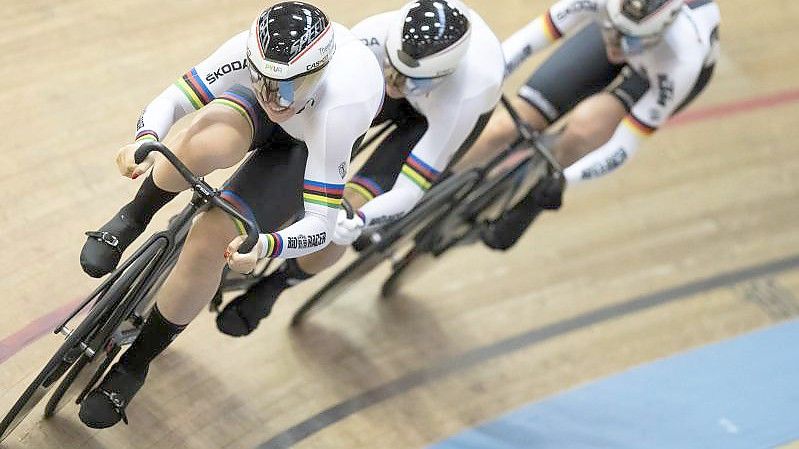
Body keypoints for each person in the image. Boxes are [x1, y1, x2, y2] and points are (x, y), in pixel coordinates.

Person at [77, 2, 384, 428]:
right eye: (267, 80)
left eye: (293, 84)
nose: (279, 98)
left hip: (304, 148)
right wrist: (143, 141)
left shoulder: (342, 106)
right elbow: (175, 99)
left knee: (211, 240)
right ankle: (132, 217)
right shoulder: (246, 53)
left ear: (322, 71)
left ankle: (134, 364)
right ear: (253, 61)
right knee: (206, 143)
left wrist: (266, 244)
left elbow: (322, 225)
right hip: (251, 114)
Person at [215, 0, 505, 337]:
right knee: (320, 141)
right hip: (391, 82)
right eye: (393, 70)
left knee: (348, 212)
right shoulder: (371, 37)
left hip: (433, 121)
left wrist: (360, 219)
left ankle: (277, 284)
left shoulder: (465, 97)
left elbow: (408, 191)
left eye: (409, 80)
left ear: (443, 75)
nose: (396, 84)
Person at [462, 0, 720, 250]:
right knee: (503, 128)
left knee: (584, 130)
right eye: (616, 32)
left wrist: (565, 179)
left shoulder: (685, 55)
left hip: (656, 71)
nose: (618, 48)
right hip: (618, 30)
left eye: (629, 39)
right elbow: (525, 42)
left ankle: (531, 203)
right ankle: (440, 173)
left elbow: (625, 143)